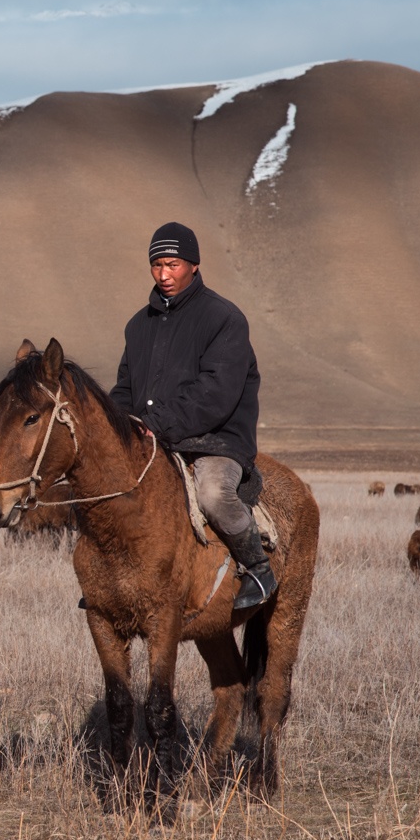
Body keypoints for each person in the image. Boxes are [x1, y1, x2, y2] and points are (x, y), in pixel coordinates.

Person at [108, 222, 275, 609]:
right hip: (154, 439)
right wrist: (116, 425)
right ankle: (111, 584)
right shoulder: (138, 326)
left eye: (173, 264)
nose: (163, 274)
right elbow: (124, 391)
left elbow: (215, 394)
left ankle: (258, 568)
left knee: (213, 494)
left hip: (215, 439)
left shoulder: (224, 319)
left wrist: (157, 425)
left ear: (194, 265)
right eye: (156, 265)